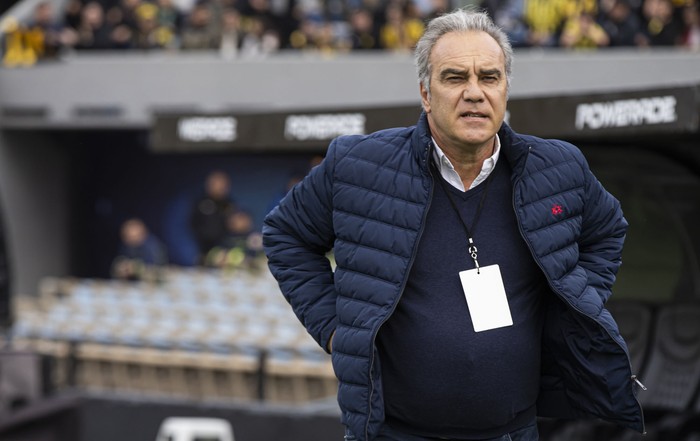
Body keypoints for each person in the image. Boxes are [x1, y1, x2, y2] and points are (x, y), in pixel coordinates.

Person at [263, 8, 645, 441]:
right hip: (393, 433)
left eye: (489, 77)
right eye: (455, 78)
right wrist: (336, 330)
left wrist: (568, 313)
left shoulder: (558, 166)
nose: (474, 93)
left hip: (512, 432)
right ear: (426, 93)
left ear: (505, 90)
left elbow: (608, 229)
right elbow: (286, 235)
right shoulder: (356, 165)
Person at [190, 170, 237, 263]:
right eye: (217, 183)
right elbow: (193, 226)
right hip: (204, 251)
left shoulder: (229, 204)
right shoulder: (200, 202)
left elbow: (235, 227)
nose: (221, 187)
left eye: (224, 184)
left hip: (227, 251)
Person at [112, 218, 168, 282]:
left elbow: (159, 271)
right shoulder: (125, 247)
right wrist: (120, 268)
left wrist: (135, 268)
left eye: (135, 237)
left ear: (143, 234)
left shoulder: (152, 247)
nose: (132, 242)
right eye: (128, 238)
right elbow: (117, 267)